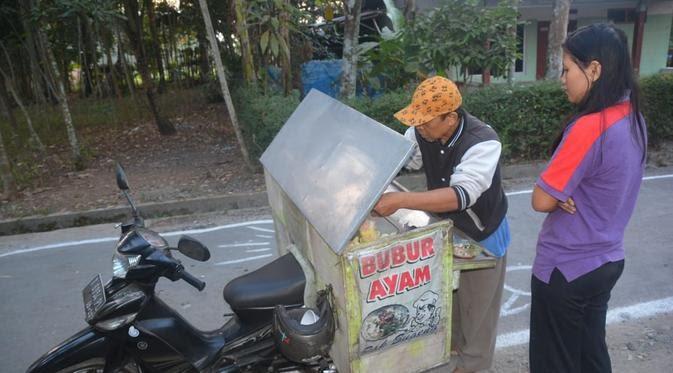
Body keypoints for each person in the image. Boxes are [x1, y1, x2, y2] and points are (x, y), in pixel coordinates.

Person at [529, 23, 647, 372]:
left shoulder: (589, 127)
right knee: (590, 356)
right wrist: (567, 190)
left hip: (566, 269)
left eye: (566, 69)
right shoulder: (633, 116)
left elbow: (540, 199)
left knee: (556, 363)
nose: (562, 78)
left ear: (593, 69)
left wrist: (559, 192)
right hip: (607, 260)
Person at [374, 76, 510, 373]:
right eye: (417, 122)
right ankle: (455, 351)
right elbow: (403, 160)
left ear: (450, 118)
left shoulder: (483, 142)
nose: (420, 128)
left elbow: (461, 196)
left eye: (426, 122)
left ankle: (473, 365)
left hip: (482, 237)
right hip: (449, 230)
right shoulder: (422, 131)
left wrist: (399, 201)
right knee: (451, 302)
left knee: (479, 315)